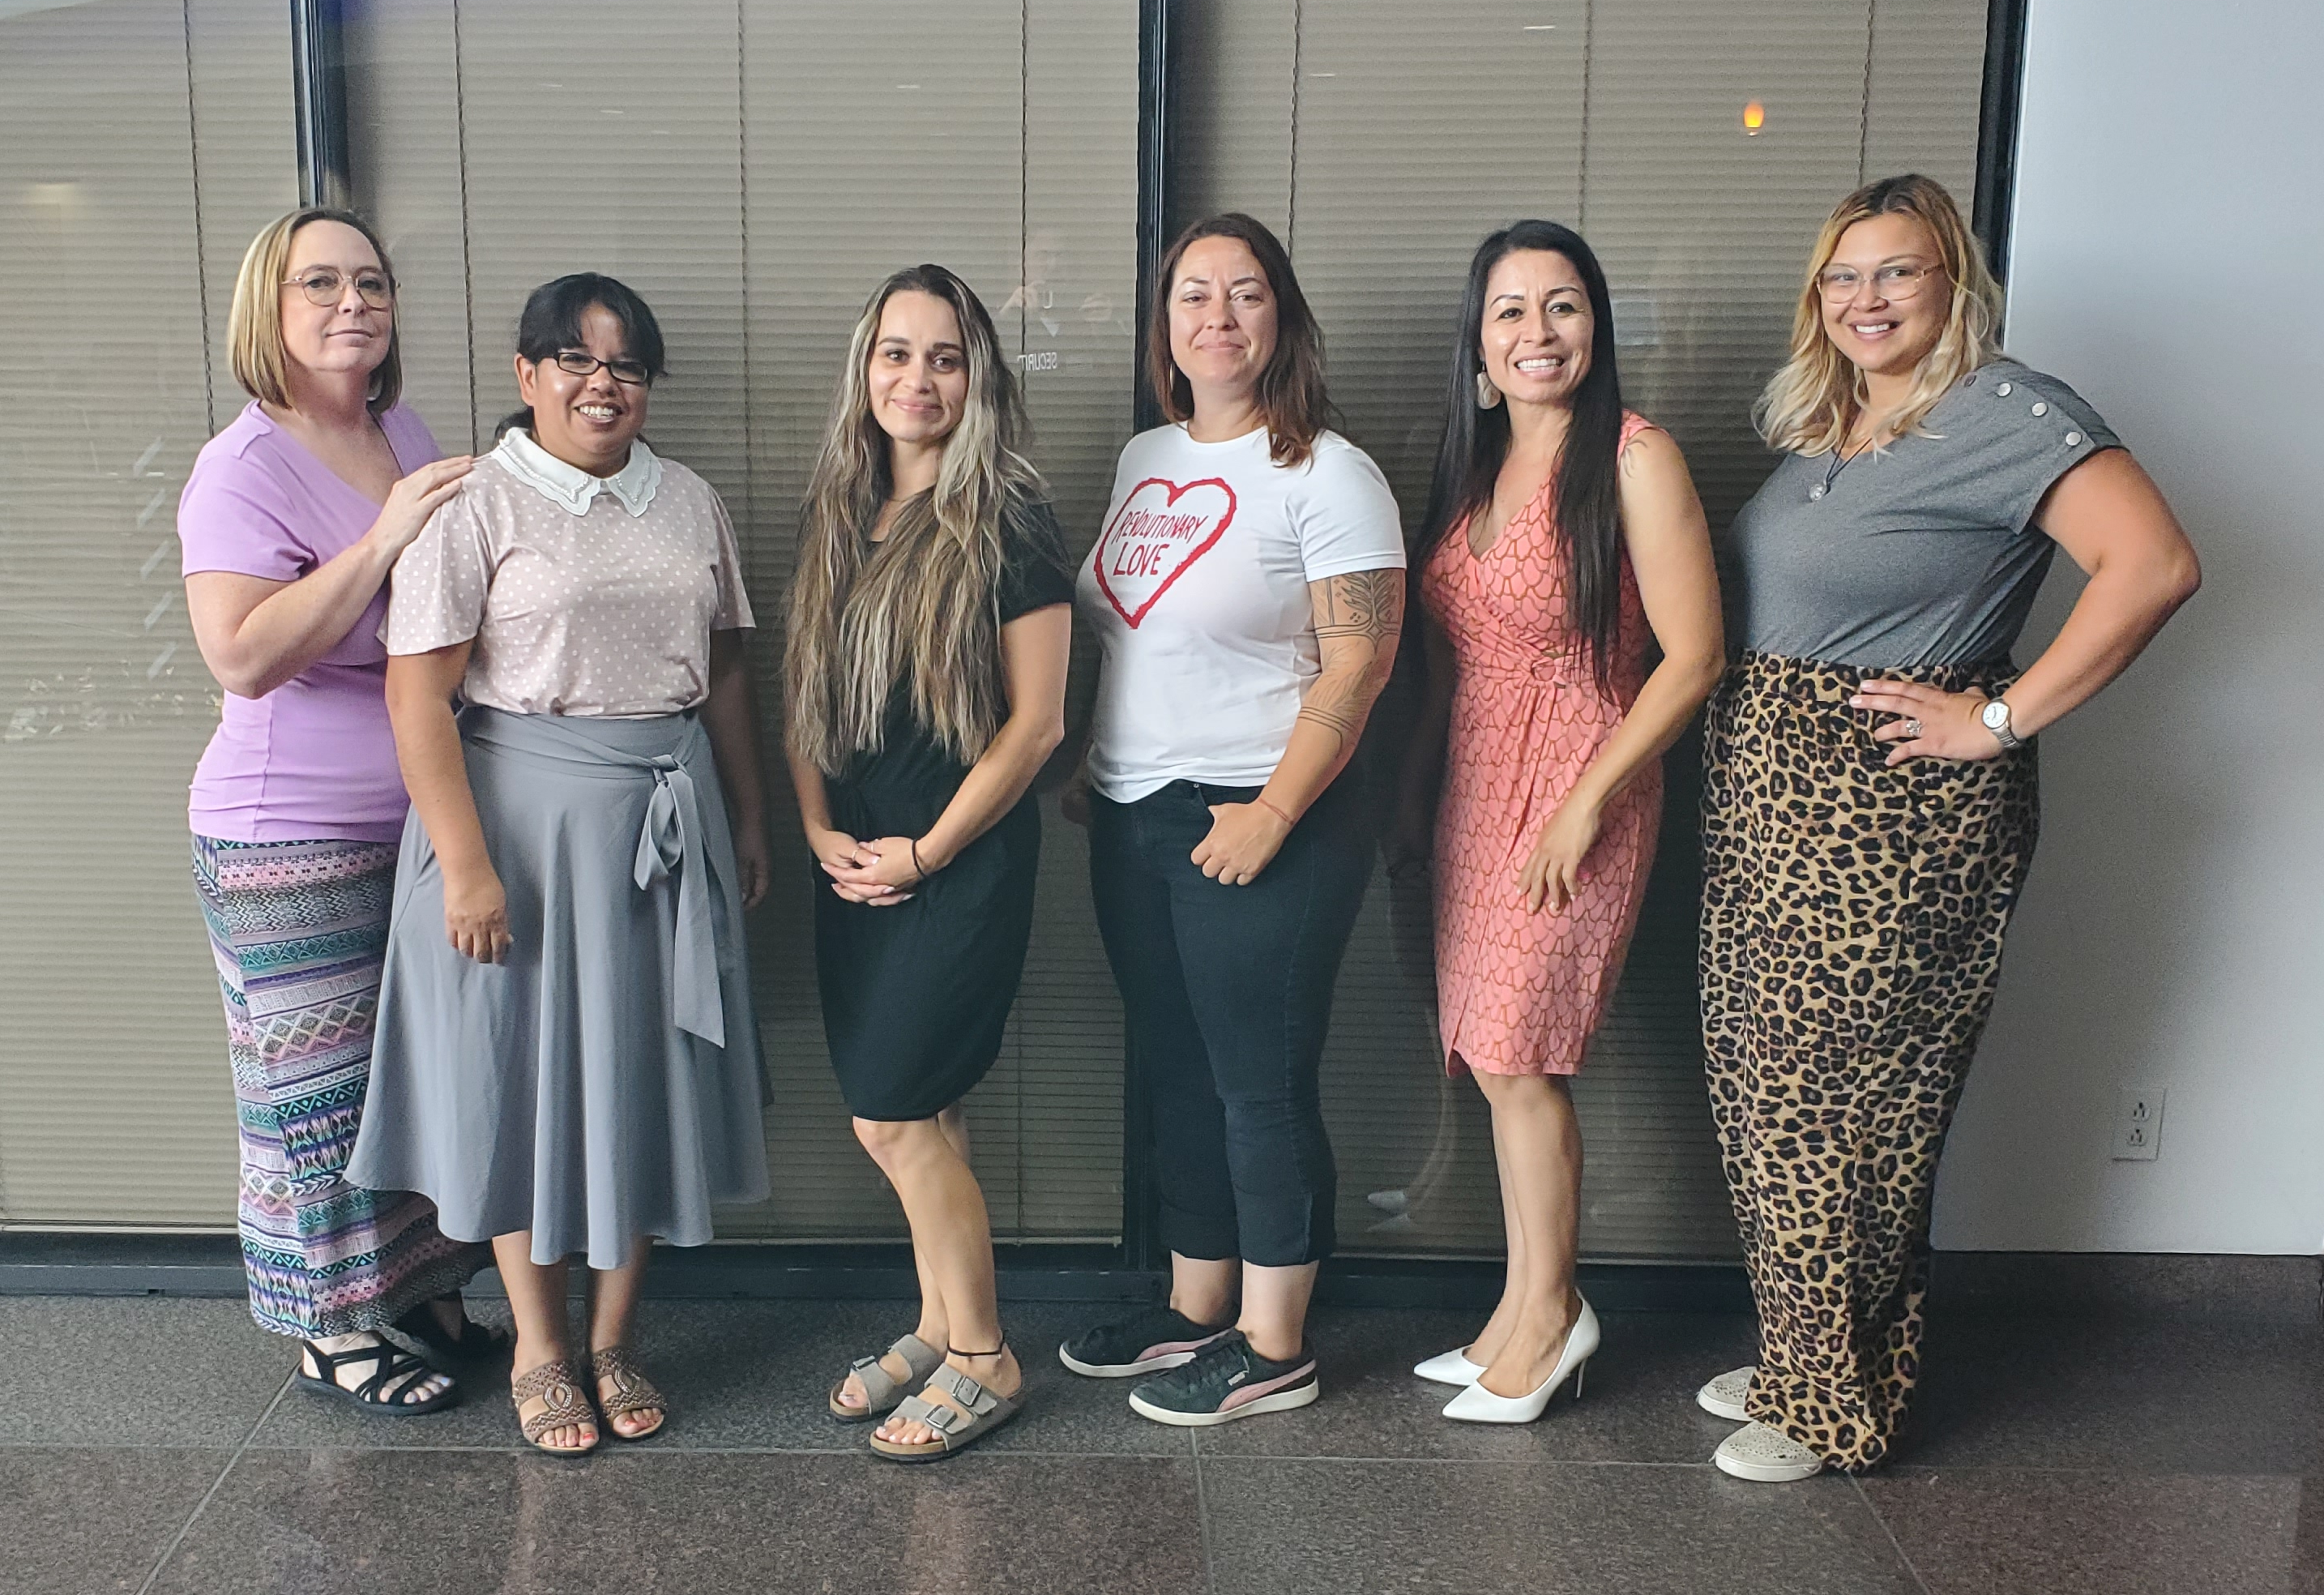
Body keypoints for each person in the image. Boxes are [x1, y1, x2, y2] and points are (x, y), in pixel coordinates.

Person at [1696, 174, 2199, 1481]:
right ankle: (1805, 1348)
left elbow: (2153, 566)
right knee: (1765, 1085)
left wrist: (1999, 720)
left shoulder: (2009, 412)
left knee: (1847, 1100)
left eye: (1899, 272)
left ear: (1953, 284)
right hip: (1770, 797)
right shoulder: (1835, 424)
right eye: (1845, 276)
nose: (1867, 298)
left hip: (1890, 812)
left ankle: (1831, 1402)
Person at [347, 273, 775, 1456]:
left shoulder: (687, 500)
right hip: (521, 840)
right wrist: (466, 865)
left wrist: (748, 817)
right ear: (528, 375)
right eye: (576, 361)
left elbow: (728, 671)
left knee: (641, 1079)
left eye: (627, 365)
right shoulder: (474, 505)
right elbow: (415, 694)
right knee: (523, 1088)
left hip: (660, 830)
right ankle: (541, 1347)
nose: (603, 384)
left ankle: (615, 1339)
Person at [1060, 212, 1405, 1425]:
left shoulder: (1327, 469)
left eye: (1246, 294)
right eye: (1194, 295)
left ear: (1283, 317)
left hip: (1266, 812)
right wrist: (1088, 766)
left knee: (1259, 1082)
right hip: (1132, 811)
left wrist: (1273, 809)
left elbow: (1359, 664)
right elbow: (1132, 630)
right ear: (1166, 325)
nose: (1218, 316)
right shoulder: (1145, 456)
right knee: (1177, 1070)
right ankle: (1195, 1307)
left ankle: (1275, 1344)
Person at [1397, 221, 1723, 1422]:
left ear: (1598, 327)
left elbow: (1693, 660)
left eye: (1564, 306)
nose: (1539, 333)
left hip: (1583, 778)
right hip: (1480, 782)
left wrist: (1587, 803)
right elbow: (1450, 665)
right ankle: (1512, 1310)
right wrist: (1413, 792)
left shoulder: (1636, 459)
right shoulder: (1474, 468)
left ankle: (1555, 1315)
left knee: (1524, 1056)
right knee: (1492, 1058)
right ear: (1479, 348)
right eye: (1512, 313)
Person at [180, 207, 498, 1415]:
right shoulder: (243, 466)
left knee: (392, 1079)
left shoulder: (392, 429)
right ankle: (328, 1332)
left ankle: (413, 1293)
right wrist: (384, 538)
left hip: (408, 820)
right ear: (270, 305)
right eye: (321, 283)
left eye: (370, 281)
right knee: (307, 1095)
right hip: (284, 833)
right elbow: (245, 656)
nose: (353, 302)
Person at [784, 265, 1073, 1461]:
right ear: (866, 372)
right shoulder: (844, 511)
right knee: (920, 1118)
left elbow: (1039, 725)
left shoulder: (1008, 517)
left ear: (979, 380)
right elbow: (801, 698)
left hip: (956, 865)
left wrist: (929, 851)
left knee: (895, 1117)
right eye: (896, 354)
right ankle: (935, 1320)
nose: (918, 378)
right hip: (853, 862)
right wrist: (812, 830)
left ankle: (984, 1356)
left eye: (945, 357)